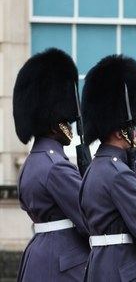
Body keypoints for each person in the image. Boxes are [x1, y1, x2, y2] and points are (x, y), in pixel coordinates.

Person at [13, 48, 90, 281]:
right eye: (65, 120)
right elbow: (88, 218)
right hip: (64, 264)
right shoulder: (56, 166)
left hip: (39, 257)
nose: (69, 125)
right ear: (54, 123)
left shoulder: (32, 163)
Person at [79, 54, 136, 282]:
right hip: (124, 270)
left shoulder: (94, 169)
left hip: (98, 267)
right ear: (120, 132)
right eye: (133, 128)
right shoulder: (119, 175)